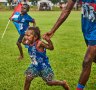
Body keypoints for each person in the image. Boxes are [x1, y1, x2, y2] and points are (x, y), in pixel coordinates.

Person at [43, 0, 96, 90]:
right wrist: (53, 30)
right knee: (94, 58)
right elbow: (67, 10)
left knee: (87, 61)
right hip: (87, 28)